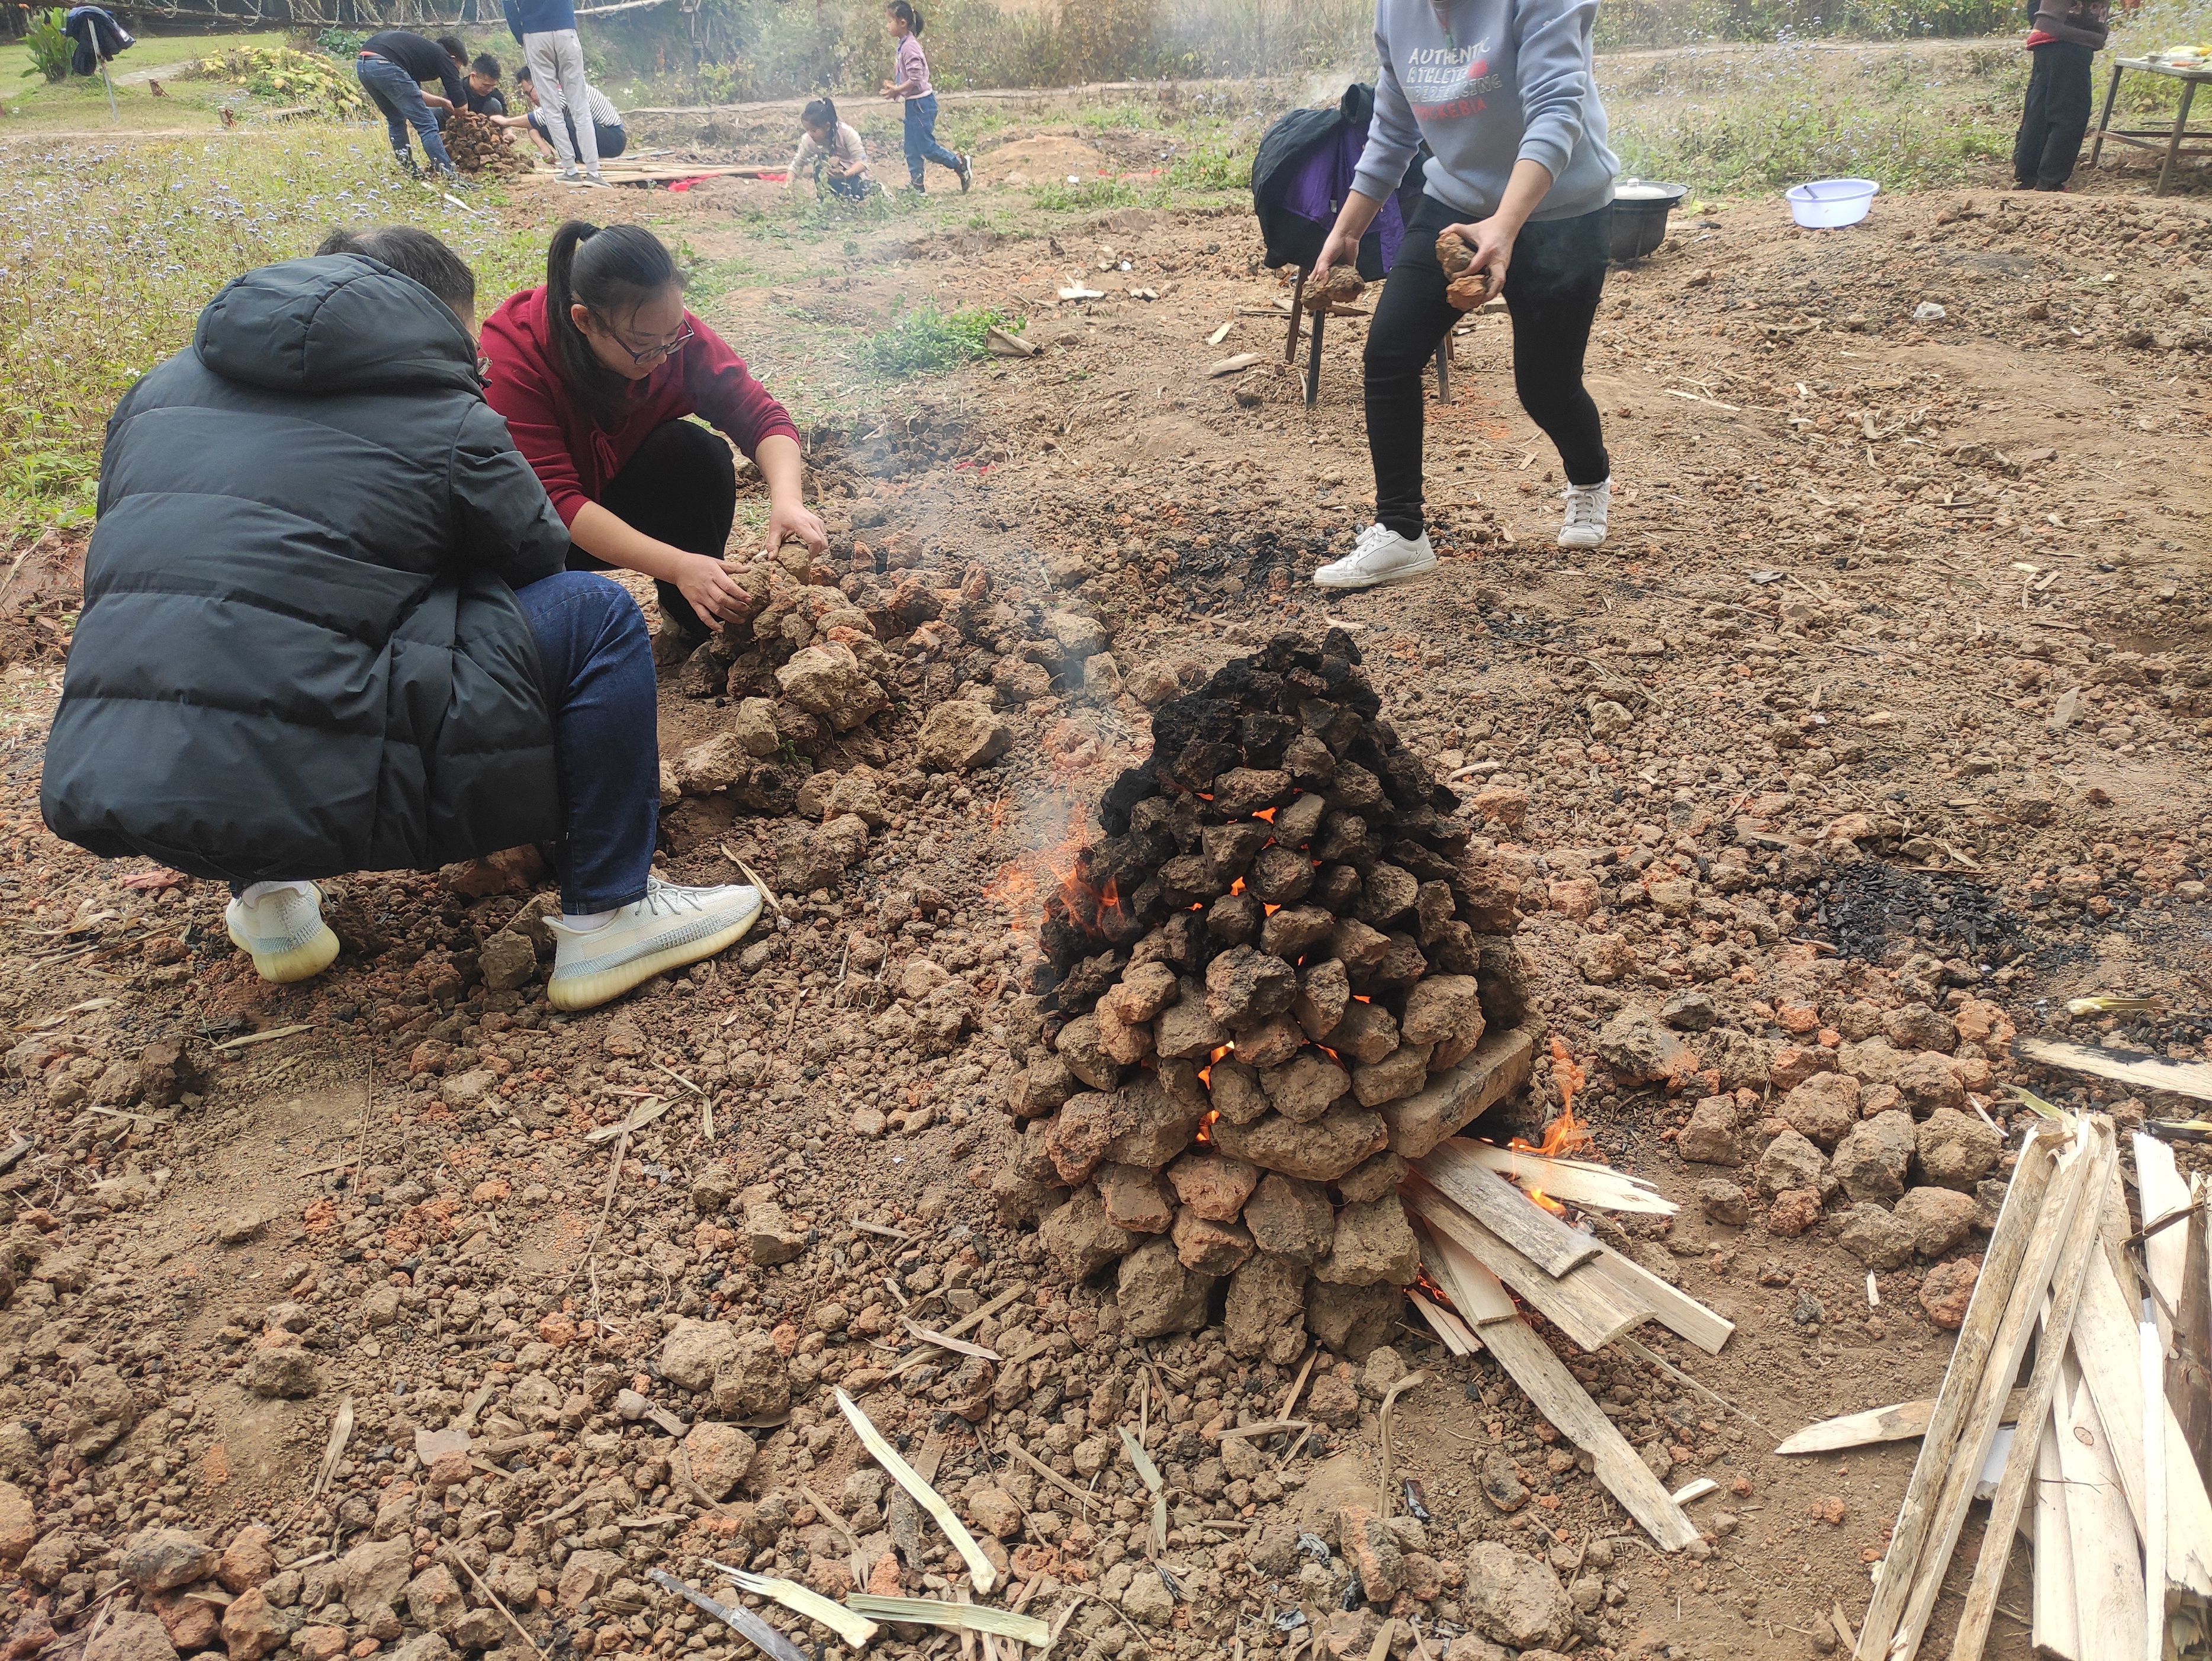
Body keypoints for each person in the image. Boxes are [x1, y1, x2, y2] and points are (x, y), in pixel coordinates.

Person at [39, 226, 766, 1010]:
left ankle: (272, 902)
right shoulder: (435, 403)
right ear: (414, 316)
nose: (470, 358)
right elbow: (532, 553)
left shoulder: (154, 395)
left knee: (223, 630)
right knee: (594, 614)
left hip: (133, 774)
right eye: (462, 338)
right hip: (346, 775)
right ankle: (611, 911)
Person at [1307, 0, 1622, 590]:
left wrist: (1505, 226)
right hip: (1455, 200)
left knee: (1546, 386)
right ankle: (1401, 531)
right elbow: (1393, 129)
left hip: (1562, 208)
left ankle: (1588, 478)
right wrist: (1348, 229)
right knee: (1390, 353)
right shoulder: (1395, 11)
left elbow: (1557, 111)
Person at [480, 221, 828, 660]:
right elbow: (555, 502)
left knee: (692, 454)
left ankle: (693, 627)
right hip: (534, 538)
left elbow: (759, 413)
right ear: (584, 320)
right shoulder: (516, 355)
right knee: (544, 624)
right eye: (645, 344)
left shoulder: (666, 334)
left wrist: (788, 500)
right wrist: (678, 564)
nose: (664, 356)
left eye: (674, 335)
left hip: (607, 495)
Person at [2015, 0, 2124, 190]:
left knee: (2040, 111)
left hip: (2047, 34)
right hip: (2068, 35)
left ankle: (2029, 176)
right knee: (2071, 112)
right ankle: (2050, 181)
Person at [503, 0, 606, 185]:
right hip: (566, 30)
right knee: (580, 105)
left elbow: (509, 5)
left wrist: (521, 36)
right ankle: (593, 172)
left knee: (551, 107)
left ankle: (570, 170)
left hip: (534, 34)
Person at [880, 2, 970, 194]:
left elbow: (916, 78)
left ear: (902, 23)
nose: (887, 26)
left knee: (926, 147)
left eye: (889, 21)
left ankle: (959, 163)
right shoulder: (904, 45)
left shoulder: (910, 47)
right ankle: (917, 187)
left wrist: (897, 89)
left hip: (921, 104)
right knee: (911, 148)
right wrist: (897, 88)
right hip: (914, 104)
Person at [354, 28, 465, 179]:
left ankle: (410, 172)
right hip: (385, 64)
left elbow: (414, 94)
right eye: (457, 67)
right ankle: (451, 177)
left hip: (364, 65)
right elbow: (460, 104)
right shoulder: (444, 56)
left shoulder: (417, 54)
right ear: (453, 58)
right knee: (428, 124)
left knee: (396, 119)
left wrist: (444, 103)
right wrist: (464, 115)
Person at [499, 63, 627, 163]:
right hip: (596, 136)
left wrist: (506, 122)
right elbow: (533, 123)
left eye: (530, 93)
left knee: (563, 122)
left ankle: (580, 159)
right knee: (549, 121)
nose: (530, 99)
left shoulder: (562, 88)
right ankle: (577, 159)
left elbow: (538, 118)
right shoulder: (549, 97)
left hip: (613, 138)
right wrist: (543, 146)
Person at [789, 95, 870, 199]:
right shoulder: (808, 140)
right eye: (807, 130)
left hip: (852, 180)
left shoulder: (847, 133)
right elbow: (796, 165)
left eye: (814, 130)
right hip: (829, 183)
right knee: (820, 164)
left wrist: (846, 174)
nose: (810, 134)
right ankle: (825, 199)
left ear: (827, 126)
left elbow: (862, 163)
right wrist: (789, 185)